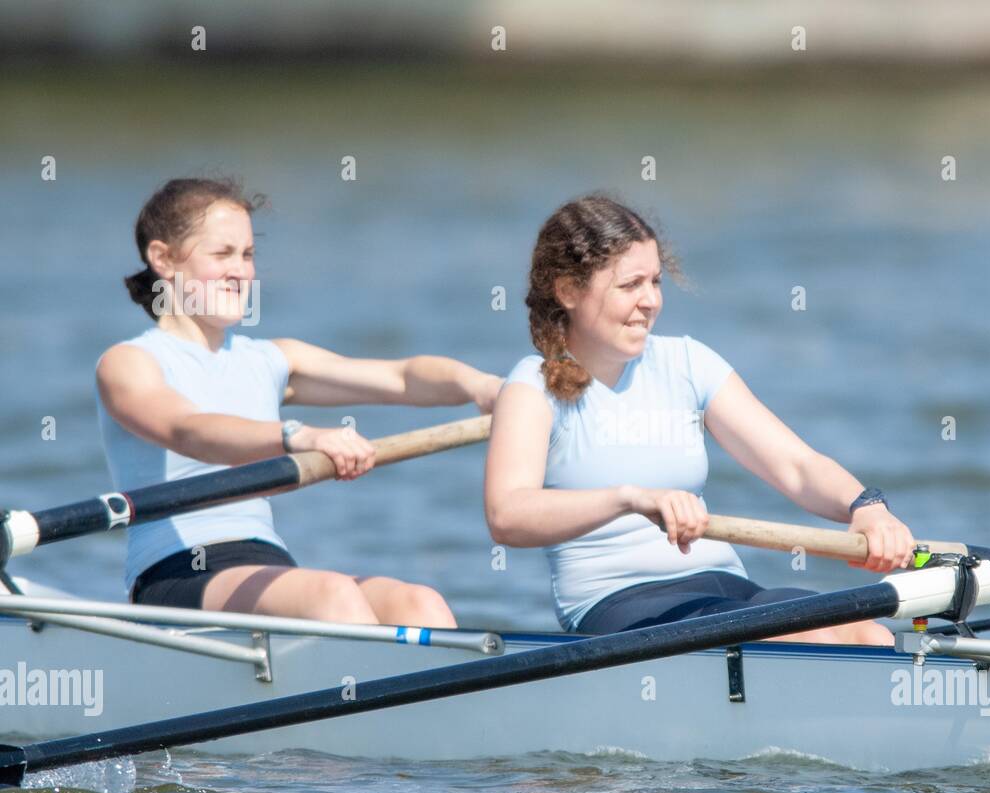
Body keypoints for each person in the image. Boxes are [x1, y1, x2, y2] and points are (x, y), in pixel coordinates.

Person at [484, 194, 916, 644]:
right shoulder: (532, 387)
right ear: (568, 290)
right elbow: (506, 514)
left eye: (655, 281)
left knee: (871, 636)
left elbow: (796, 466)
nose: (650, 301)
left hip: (725, 586)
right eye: (630, 285)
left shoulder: (688, 363)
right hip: (616, 606)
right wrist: (630, 499)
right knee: (811, 639)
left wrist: (867, 508)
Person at [98, 177, 502, 626]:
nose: (241, 272)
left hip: (267, 564)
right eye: (222, 254)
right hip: (175, 575)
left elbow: (402, 378)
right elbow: (188, 431)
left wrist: (484, 387)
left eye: (247, 255)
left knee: (420, 603)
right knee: (332, 596)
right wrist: (298, 436)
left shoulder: (270, 359)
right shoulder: (129, 363)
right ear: (163, 258)